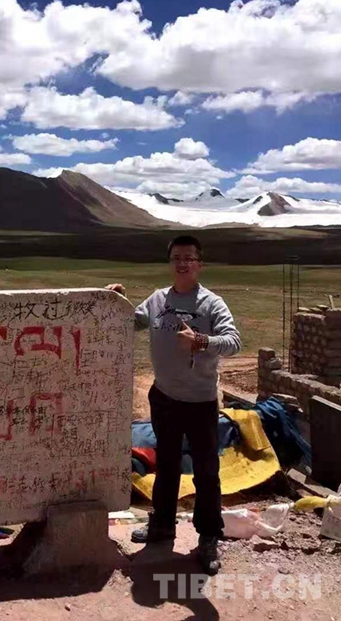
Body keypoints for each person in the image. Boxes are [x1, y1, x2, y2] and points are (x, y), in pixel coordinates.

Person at [106, 235, 241, 575]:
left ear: (200, 264)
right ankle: (162, 525)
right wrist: (118, 301)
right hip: (164, 397)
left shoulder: (212, 304)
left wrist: (201, 340)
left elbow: (234, 342)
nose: (183, 263)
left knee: (206, 472)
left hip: (200, 402)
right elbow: (133, 322)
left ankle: (208, 536)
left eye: (189, 258)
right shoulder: (157, 299)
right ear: (171, 263)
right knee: (166, 465)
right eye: (177, 257)